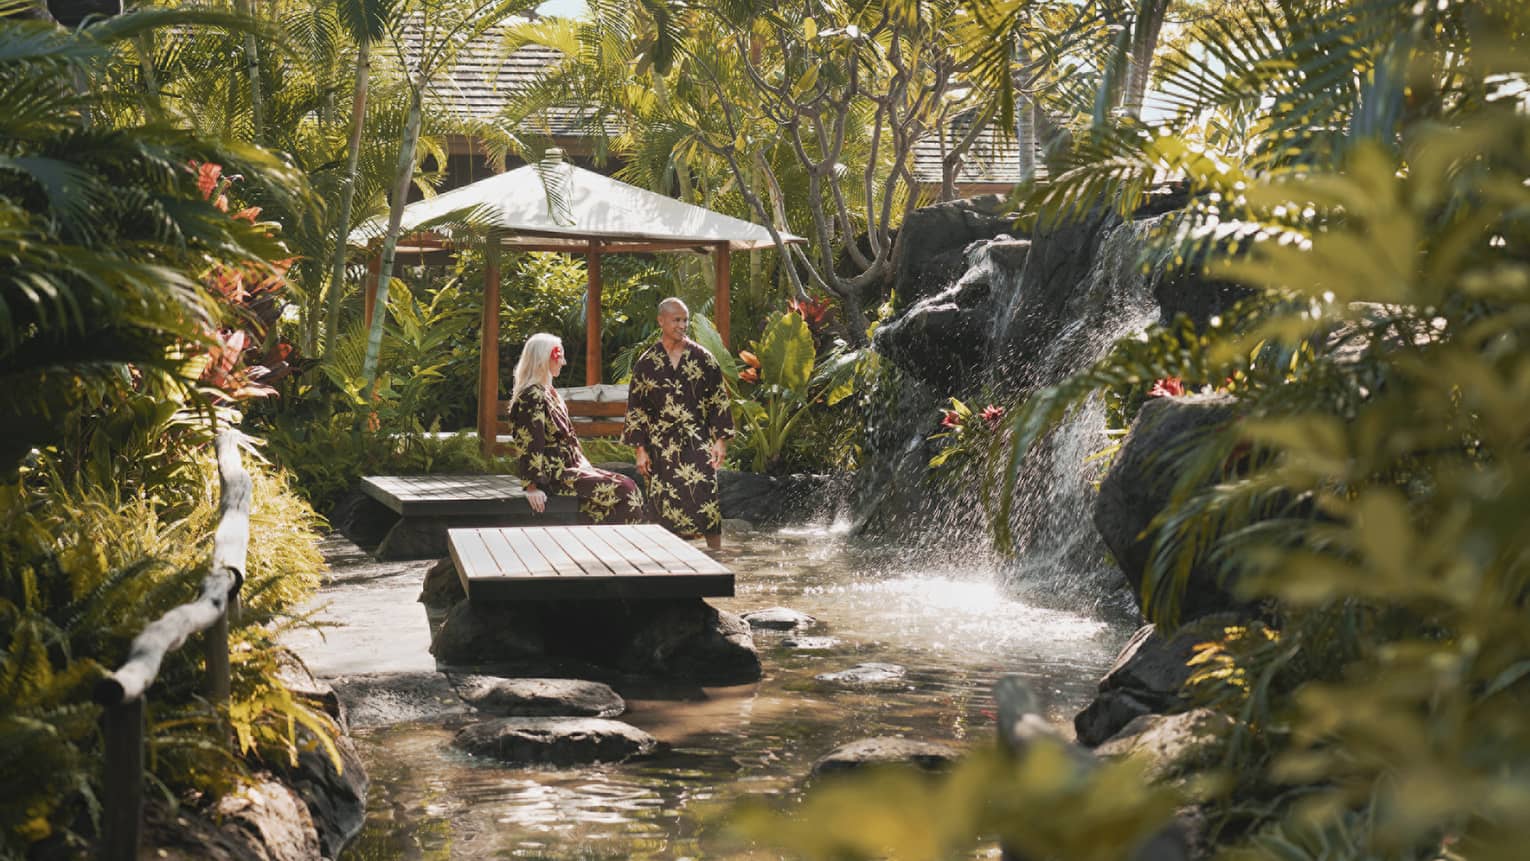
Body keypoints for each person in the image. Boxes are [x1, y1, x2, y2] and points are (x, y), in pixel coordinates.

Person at [622, 298, 734, 548]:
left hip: (697, 438)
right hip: (660, 445)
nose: (683, 325)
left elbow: (718, 399)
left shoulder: (703, 358)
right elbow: (636, 409)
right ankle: (666, 556)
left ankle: (716, 555)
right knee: (663, 502)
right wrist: (640, 451)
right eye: (677, 320)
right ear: (661, 321)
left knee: (706, 497)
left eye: (685, 319)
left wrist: (720, 440)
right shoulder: (646, 363)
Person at [506, 333, 644, 524]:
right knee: (624, 491)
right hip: (553, 475)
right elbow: (530, 442)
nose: (563, 362)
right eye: (559, 356)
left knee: (630, 486)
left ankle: (605, 543)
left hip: (571, 467)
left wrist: (585, 465)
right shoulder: (532, 396)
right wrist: (531, 486)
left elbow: (569, 438)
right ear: (543, 358)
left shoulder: (551, 393)